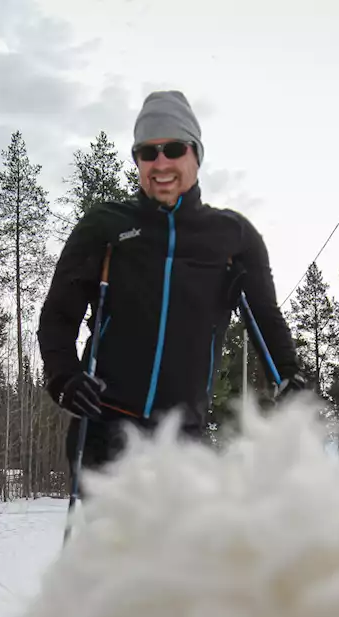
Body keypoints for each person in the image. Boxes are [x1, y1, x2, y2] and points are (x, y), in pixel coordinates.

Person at [38, 89, 306, 483]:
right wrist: (63, 378)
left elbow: (266, 318)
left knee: (183, 547)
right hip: (106, 432)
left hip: (184, 439)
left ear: (196, 154)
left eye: (174, 148)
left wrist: (290, 377)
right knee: (110, 546)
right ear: (138, 162)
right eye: (148, 152)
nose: (161, 162)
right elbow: (59, 315)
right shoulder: (106, 225)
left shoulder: (233, 236)